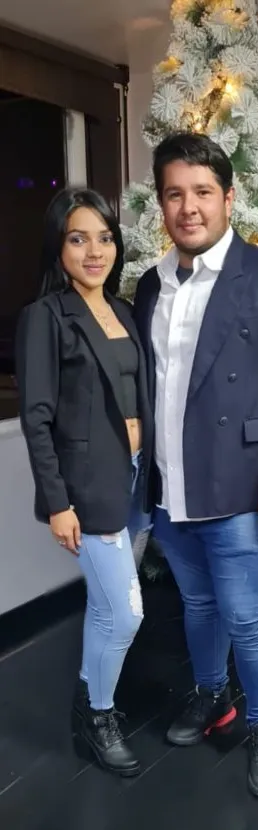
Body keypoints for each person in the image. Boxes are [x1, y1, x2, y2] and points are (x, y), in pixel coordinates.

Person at [133, 133, 258, 798]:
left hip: (244, 485)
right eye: (174, 193)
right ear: (161, 202)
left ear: (228, 197)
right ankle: (212, 696)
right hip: (169, 487)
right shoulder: (148, 284)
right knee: (196, 604)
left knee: (245, 615)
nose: (188, 207)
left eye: (202, 192)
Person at [15, 188, 154, 777]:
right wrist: (57, 503)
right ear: (59, 246)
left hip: (134, 479)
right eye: (78, 238)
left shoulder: (122, 311)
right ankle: (98, 713)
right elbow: (36, 418)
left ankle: (85, 700)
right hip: (88, 490)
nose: (94, 250)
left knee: (105, 607)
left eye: (104, 237)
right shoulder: (44, 317)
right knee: (125, 614)